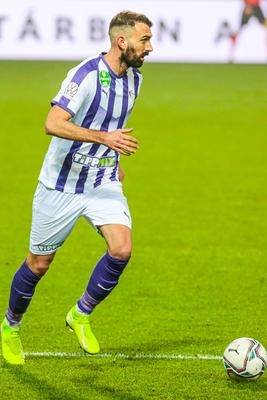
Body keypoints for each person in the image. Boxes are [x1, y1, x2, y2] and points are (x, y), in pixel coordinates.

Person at [1, 10, 153, 365]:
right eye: (144, 40)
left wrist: (114, 161)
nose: (150, 47)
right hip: (61, 183)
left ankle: (80, 313)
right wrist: (103, 139)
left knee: (122, 249)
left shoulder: (136, 80)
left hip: (101, 180)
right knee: (39, 264)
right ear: (122, 41)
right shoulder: (85, 76)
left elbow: (114, 125)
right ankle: (10, 326)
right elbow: (52, 122)